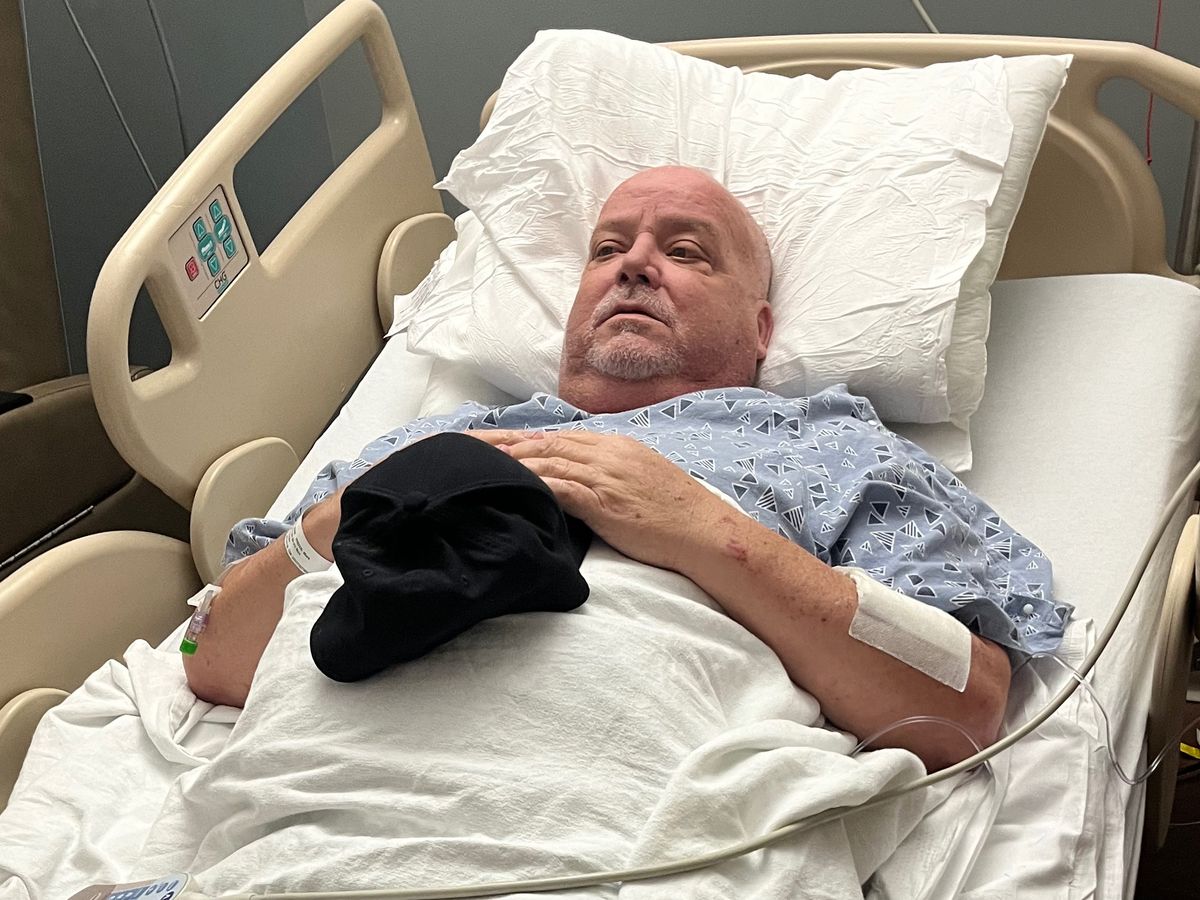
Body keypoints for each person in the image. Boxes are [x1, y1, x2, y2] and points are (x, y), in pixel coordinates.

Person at [184, 166, 1053, 772]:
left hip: (620, 833)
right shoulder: (424, 441)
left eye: (687, 251)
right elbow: (206, 655)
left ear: (760, 330)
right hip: (311, 813)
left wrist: (699, 529)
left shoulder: (831, 446)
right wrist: (348, 516)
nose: (634, 263)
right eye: (606, 250)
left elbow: (964, 704)